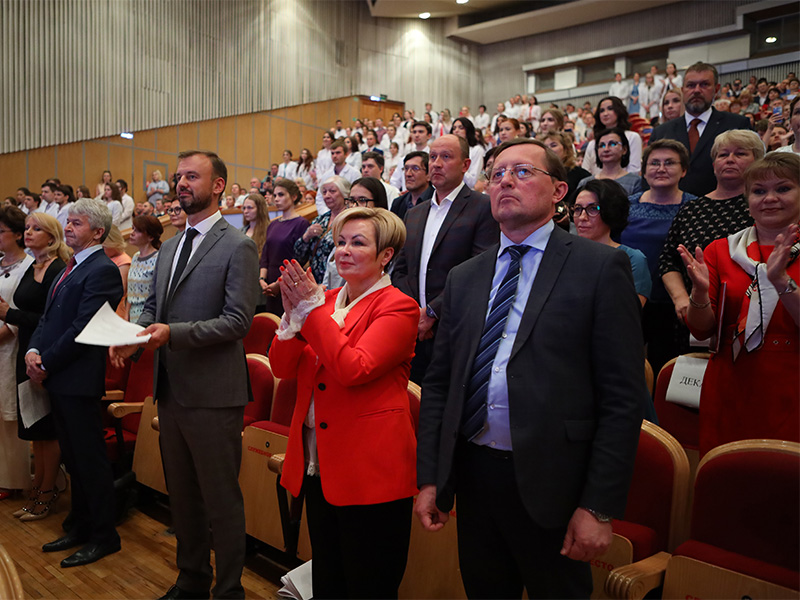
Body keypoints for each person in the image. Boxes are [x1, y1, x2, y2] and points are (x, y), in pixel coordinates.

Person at [415, 138, 644, 598]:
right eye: (497, 173)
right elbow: (440, 385)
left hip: (554, 480)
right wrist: (431, 478)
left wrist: (598, 506)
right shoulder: (465, 277)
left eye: (521, 172)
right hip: (476, 476)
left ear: (559, 191)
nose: (505, 181)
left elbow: (622, 399)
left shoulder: (600, 267)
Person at [110, 150, 260, 599]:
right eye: (178, 177)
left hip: (214, 393)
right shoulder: (172, 245)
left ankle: (229, 590)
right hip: (171, 389)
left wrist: (169, 333)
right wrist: (132, 337)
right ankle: (191, 580)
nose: (181, 184)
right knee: (183, 496)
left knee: (220, 500)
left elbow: (238, 322)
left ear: (218, 186)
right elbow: (155, 309)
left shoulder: (238, 245)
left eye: (192, 176)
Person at [270, 207, 418, 598]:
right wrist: (290, 319)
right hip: (321, 463)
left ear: (386, 255)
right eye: (339, 242)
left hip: (370, 469)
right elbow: (282, 367)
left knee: (368, 583)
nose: (343, 251)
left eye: (358, 242)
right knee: (330, 579)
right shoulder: (326, 299)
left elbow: (354, 368)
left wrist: (310, 314)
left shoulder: (398, 306)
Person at [679, 152, 799, 455]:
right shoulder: (721, 250)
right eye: (759, 191)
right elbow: (702, 329)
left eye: (783, 189)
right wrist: (700, 293)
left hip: (793, 385)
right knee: (729, 484)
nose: (769, 198)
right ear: (747, 201)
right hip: (731, 386)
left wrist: (781, 281)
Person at [25, 199, 123, 567]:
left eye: (76, 223)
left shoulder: (102, 270)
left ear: (97, 232)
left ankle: (104, 535)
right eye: (68, 222)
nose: (67, 228)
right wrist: (34, 349)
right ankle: (80, 526)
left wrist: (46, 361)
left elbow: (82, 328)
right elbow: (49, 318)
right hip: (58, 377)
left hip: (78, 378)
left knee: (90, 461)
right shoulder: (71, 265)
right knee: (75, 461)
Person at [392, 134, 499, 384]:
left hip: (454, 328)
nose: (437, 163)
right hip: (413, 331)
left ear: (465, 165)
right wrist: (413, 314)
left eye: (446, 157)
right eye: (432, 157)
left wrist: (431, 312)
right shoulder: (414, 213)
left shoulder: (482, 207)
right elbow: (401, 269)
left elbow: (479, 269)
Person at [659, 130, 765, 358]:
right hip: (692, 316)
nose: (729, 159)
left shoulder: (765, 207)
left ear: (758, 161)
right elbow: (668, 259)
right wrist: (680, 299)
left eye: (740, 154)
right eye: (722, 154)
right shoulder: (691, 209)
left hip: (752, 316)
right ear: (714, 163)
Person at [2, 213, 69, 521]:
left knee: (46, 428)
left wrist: (8, 314)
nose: (28, 232)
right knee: (35, 428)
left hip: (43, 355)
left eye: (36, 228)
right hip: (25, 350)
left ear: (52, 236)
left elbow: (50, 318)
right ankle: (38, 488)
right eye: (27, 228)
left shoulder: (56, 268)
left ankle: (45, 493)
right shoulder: (34, 267)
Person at [622, 140, 698, 373]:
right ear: (644, 171)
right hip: (629, 300)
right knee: (626, 366)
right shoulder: (626, 206)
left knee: (665, 368)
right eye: (654, 163)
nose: (661, 168)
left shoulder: (695, 207)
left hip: (675, 304)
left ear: (683, 170)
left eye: (669, 163)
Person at [649, 62, 752, 197]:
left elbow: (752, 171)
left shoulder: (737, 125)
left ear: (716, 89)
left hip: (724, 207)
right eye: (691, 85)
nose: (696, 90)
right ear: (683, 90)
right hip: (671, 209)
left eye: (704, 84)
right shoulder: (661, 132)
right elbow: (649, 178)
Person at [0, 206, 35, 501]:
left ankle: (13, 479)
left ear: (17, 235)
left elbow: (21, 312)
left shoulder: (28, 267)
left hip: (11, 347)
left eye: (1, 231)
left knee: (10, 416)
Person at [575, 180, 651, 305]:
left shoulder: (632, 258)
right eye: (578, 209)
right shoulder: (565, 253)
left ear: (611, 211)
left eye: (593, 209)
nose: (582, 217)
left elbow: (628, 313)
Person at [321, 177, 388, 292]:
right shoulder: (343, 234)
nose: (354, 206)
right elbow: (328, 283)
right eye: (351, 200)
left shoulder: (385, 240)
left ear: (378, 204)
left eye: (362, 200)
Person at [259, 178, 309, 316]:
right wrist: (262, 279)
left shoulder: (301, 223)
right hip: (270, 283)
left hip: (289, 283)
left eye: (281, 195)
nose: (276, 199)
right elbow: (265, 255)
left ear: (293, 197)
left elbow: (298, 259)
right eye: (275, 195)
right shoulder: (273, 224)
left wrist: (279, 283)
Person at [296, 176, 350, 283]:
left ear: (345, 194)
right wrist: (306, 236)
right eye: (324, 192)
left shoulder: (349, 219)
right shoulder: (320, 219)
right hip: (314, 282)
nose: (327, 196)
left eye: (332, 191)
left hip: (338, 282)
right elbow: (298, 256)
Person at [581, 97, 643, 176]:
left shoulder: (632, 137)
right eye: (602, 111)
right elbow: (585, 172)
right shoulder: (592, 144)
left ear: (619, 111)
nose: (605, 114)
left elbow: (634, 171)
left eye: (610, 109)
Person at [578, 128, 643, 196]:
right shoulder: (585, 183)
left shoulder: (636, 182)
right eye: (601, 146)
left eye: (612, 144)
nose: (606, 149)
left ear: (624, 149)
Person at [127, 215, 163, 324]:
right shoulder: (135, 257)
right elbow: (130, 292)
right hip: (132, 314)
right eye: (133, 229)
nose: (132, 233)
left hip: (149, 315)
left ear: (150, 237)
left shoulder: (158, 258)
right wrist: (126, 316)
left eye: (137, 231)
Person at [540, 130, 590, 207]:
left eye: (553, 145)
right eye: (545, 147)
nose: (548, 150)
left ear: (566, 150)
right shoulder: (540, 173)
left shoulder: (581, 175)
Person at [314, 140, 359, 217]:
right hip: (328, 215)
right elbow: (319, 198)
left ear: (346, 154)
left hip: (348, 215)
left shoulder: (355, 174)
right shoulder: (326, 175)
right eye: (332, 153)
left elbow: (356, 198)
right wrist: (327, 214)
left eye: (338, 153)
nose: (334, 156)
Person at [391, 151, 433, 221]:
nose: (408, 174)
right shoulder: (398, 203)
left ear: (428, 175)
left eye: (415, 168)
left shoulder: (436, 201)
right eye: (406, 168)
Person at [102, 226, 132, 318]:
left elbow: (120, 292)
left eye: (104, 247)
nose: (102, 250)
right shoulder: (105, 258)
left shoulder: (124, 261)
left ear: (113, 243)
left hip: (115, 311)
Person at [452, 117, 485, 189]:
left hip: (466, 191)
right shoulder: (448, 149)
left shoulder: (477, 150)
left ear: (468, 130)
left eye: (461, 128)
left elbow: (472, 182)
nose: (456, 131)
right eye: (454, 128)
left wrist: (456, 167)